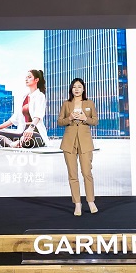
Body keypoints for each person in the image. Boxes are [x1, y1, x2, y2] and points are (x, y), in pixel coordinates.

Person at [57, 77, 98, 216]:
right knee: (72, 175)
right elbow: (60, 122)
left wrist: (85, 118)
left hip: (85, 142)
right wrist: (69, 118)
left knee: (87, 172)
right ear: (71, 89)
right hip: (69, 142)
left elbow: (95, 121)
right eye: (74, 87)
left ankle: (91, 202)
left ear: (83, 89)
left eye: (79, 86)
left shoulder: (89, 103)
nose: (77, 89)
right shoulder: (66, 104)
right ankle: (77, 204)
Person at [0, 69, 48, 149]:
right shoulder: (24, 98)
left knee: (27, 139)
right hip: (22, 132)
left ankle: (19, 142)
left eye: (29, 77)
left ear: (36, 80)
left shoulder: (40, 96)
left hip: (35, 132)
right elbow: (12, 120)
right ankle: (12, 144)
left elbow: (38, 115)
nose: (26, 79)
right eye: (26, 77)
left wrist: (30, 128)